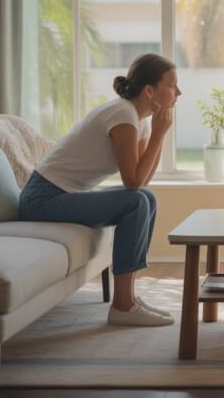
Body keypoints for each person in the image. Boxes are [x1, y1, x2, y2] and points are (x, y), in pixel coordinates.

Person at [20, 53, 182, 327]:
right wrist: (158, 134)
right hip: (42, 198)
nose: (178, 92)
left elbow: (142, 182)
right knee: (136, 202)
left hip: (64, 196)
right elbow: (132, 182)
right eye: (172, 85)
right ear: (150, 90)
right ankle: (122, 306)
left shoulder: (138, 120)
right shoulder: (123, 114)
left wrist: (158, 134)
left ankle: (128, 299)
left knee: (146, 198)